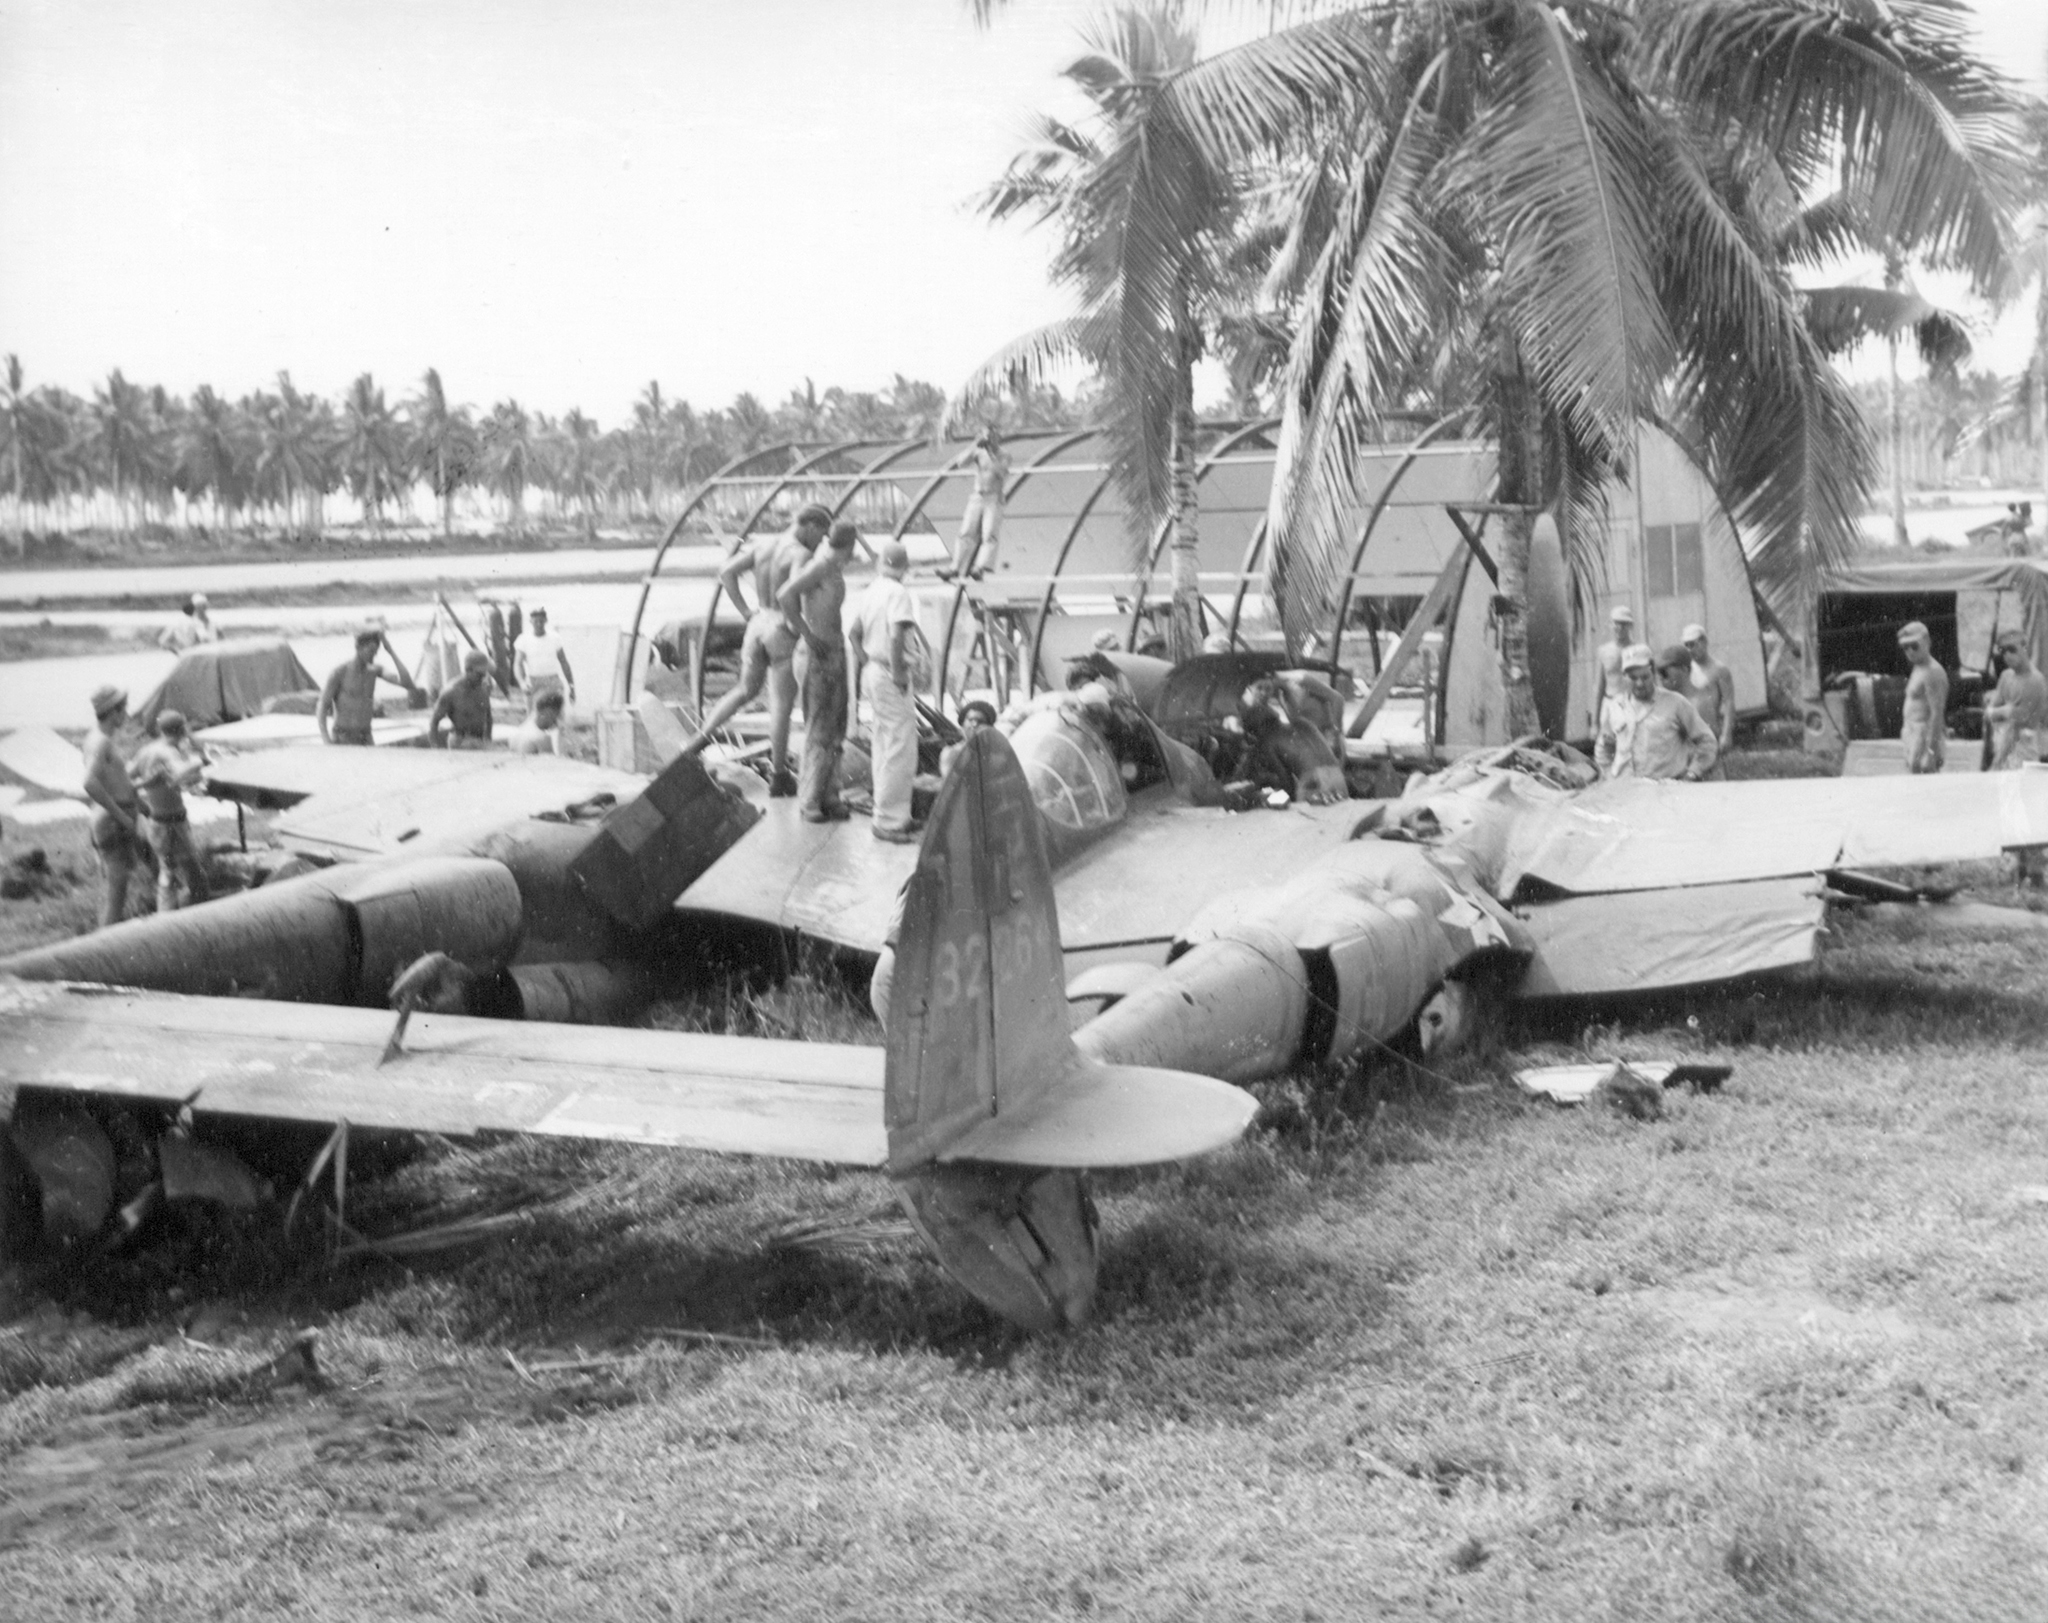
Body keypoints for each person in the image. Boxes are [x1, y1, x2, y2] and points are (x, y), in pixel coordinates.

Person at [681, 503, 831, 795]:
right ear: (811, 525)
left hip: (757, 624)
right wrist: (802, 631)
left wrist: (745, 611)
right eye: (821, 535)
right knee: (781, 705)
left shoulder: (763, 545)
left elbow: (726, 572)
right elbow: (794, 598)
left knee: (743, 690)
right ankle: (778, 775)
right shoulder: (800, 553)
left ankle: (699, 740)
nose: (821, 542)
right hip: (780, 629)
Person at [780, 519, 859, 823]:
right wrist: (807, 634)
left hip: (834, 651)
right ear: (848, 547)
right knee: (818, 728)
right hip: (817, 654)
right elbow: (785, 596)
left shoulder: (833, 565)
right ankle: (810, 798)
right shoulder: (821, 566)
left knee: (836, 728)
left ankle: (830, 793)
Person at [850, 537, 924, 843]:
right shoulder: (898, 593)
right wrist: (897, 673)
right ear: (905, 568)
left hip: (872, 671)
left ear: (881, 564)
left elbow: (853, 634)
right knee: (900, 745)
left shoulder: (871, 591)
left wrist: (870, 661)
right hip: (889, 672)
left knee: (884, 742)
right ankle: (890, 821)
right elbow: (896, 636)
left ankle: (890, 814)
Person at [1595, 644, 1718, 781]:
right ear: (1624, 677)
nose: (1639, 684)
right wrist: (1609, 776)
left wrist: (1693, 773)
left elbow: (1707, 741)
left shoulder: (1676, 703)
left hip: (1666, 791)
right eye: (1633, 678)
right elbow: (1603, 748)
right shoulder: (1616, 707)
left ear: (1653, 672)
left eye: (1645, 677)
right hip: (1627, 792)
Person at [129, 710, 211, 913]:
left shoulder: (147, 751)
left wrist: (142, 792)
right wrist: (201, 759)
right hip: (175, 822)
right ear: (182, 729)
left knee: (169, 871)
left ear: (159, 729)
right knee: (186, 870)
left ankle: (180, 912)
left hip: (156, 820)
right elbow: (181, 773)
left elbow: (126, 778)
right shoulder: (168, 752)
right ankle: (197, 910)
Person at [82, 684, 146, 928]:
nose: (126, 715)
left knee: (115, 892)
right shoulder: (102, 743)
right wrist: (121, 816)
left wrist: (137, 800)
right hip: (113, 823)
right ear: (113, 711)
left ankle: (105, 946)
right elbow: (89, 782)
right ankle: (105, 954)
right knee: (115, 897)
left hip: (111, 820)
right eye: (123, 709)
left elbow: (112, 780)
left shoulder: (95, 738)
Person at [318, 626, 420, 745]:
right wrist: (326, 739)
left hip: (365, 736)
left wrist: (390, 651)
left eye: (376, 652)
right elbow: (322, 705)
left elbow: (408, 684)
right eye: (370, 651)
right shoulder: (340, 672)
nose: (373, 655)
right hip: (342, 736)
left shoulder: (375, 671)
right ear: (358, 647)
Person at [944, 427, 1010, 580]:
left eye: (991, 437)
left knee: (989, 534)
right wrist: (974, 445)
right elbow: (960, 463)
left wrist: (991, 453)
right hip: (977, 496)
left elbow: (1001, 472)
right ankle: (955, 566)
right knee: (966, 531)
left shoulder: (1004, 455)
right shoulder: (978, 452)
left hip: (993, 497)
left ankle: (980, 567)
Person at [1897, 620, 1948, 774]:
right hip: (1913, 733)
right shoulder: (1919, 668)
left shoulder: (1932, 672)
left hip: (1923, 735)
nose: (1910, 651)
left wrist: (1931, 753)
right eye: (1906, 648)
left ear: (1927, 641)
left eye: (1915, 646)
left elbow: (1936, 714)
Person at [1681, 622, 1737, 758]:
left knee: (1713, 771)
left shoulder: (1719, 670)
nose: (1690, 649)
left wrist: (1726, 734)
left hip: (1710, 731)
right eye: (1686, 645)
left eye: (1693, 644)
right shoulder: (1685, 668)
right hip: (1688, 733)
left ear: (1704, 642)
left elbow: (1729, 702)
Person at [429, 649, 496, 749]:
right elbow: (434, 722)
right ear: (468, 670)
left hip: (480, 741)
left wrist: (488, 740)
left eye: (484, 674)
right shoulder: (451, 691)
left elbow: (488, 717)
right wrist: (435, 748)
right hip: (459, 741)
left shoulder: (483, 689)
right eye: (479, 675)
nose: (482, 678)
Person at [513, 606, 575, 711]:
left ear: (546, 621)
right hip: (533, 681)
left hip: (553, 680)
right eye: (536, 621)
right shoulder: (523, 639)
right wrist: (522, 683)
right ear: (530, 621)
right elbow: (518, 664)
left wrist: (571, 685)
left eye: (541, 621)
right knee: (533, 717)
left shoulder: (555, 638)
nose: (539, 624)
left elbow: (564, 662)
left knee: (556, 715)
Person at [938, 699, 997, 779]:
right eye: (970, 720)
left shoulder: (997, 754)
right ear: (962, 725)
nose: (975, 724)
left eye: (981, 721)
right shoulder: (952, 754)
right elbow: (951, 784)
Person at [1594, 604, 1636, 705]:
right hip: (1611, 703)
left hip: (1634, 704)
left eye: (1624, 624)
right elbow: (1599, 687)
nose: (1620, 628)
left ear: (1631, 626)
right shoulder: (1603, 651)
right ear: (1610, 625)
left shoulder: (1639, 650)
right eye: (1616, 623)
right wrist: (1595, 719)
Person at [509, 688, 566, 755]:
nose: (556, 720)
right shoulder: (542, 738)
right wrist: (560, 735)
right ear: (551, 712)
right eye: (558, 714)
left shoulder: (517, 732)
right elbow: (555, 763)